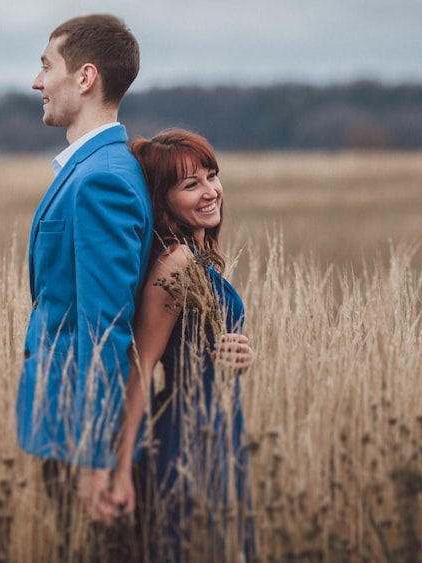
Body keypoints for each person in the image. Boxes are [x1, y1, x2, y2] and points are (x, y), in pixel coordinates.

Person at [15, 13, 152, 560]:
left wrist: (97, 458)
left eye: (46, 65)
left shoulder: (101, 181)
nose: (37, 82)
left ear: (86, 77)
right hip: (64, 425)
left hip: (79, 432)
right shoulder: (97, 169)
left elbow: (106, 326)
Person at [112, 129, 257, 562]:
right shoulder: (175, 263)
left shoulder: (195, 257)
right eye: (190, 185)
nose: (211, 191)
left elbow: (198, 348)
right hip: (187, 433)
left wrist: (236, 355)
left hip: (219, 427)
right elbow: (142, 363)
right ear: (163, 202)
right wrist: (121, 471)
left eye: (212, 176)